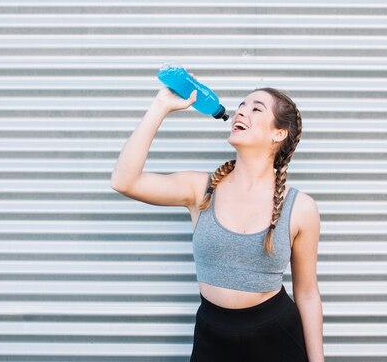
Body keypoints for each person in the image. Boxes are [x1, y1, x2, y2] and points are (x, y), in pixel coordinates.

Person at [111, 79, 324, 362]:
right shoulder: (201, 190)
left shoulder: (301, 208)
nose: (241, 112)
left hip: (277, 338)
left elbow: (307, 293)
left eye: (256, 109)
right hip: (212, 338)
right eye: (241, 106)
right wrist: (160, 106)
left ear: (278, 133)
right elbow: (124, 181)